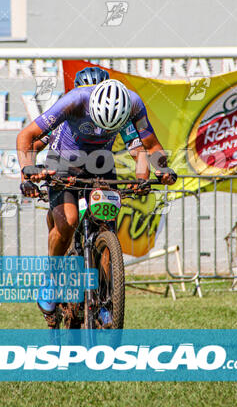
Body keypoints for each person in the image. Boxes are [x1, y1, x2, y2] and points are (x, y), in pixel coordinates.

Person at [16, 67, 176, 325]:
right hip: (63, 161)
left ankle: (102, 298)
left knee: (106, 223)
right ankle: (52, 279)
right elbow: (26, 136)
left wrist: (161, 169)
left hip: (101, 163)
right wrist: (26, 175)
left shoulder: (133, 103)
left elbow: (150, 146)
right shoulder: (74, 100)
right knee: (67, 221)